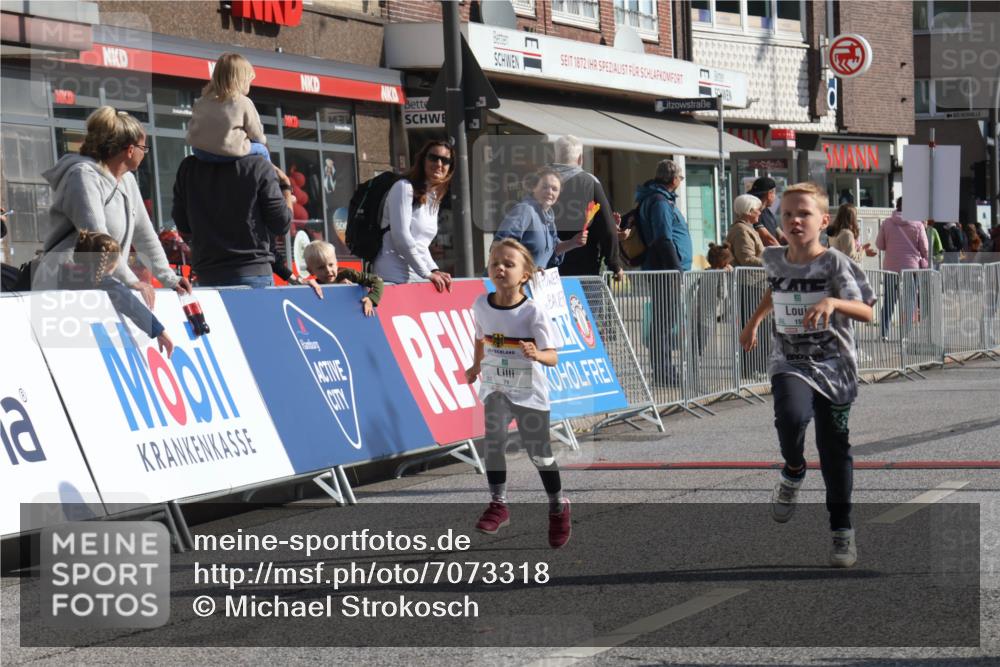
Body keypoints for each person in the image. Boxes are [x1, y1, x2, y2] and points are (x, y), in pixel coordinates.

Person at [739, 182, 875, 568]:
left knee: (834, 450)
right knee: (792, 416)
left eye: (804, 214)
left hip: (834, 366)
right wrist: (753, 323)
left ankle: (842, 531)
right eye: (787, 214)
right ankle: (794, 470)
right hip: (790, 360)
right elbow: (775, 289)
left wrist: (832, 301)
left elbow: (869, 311)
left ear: (823, 221)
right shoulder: (773, 257)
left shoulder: (836, 263)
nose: (795, 220)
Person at [464, 238, 570, 549]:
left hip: (529, 392)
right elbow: (481, 338)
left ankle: (557, 506)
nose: (500, 268)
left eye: (509, 264)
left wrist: (537, 354)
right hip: (497, 387)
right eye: (495, 262)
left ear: (524, 274)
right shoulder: (481, 304)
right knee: (493, 441)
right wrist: (475, 366)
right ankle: (499, 504)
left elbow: (553, 356)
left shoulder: (532, 312)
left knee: (540, 454)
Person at [41, 106, 191, 303]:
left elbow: (145, 236)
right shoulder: (83, 176)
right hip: (66, 287)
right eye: (143, 148)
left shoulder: (127, 180)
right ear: (130, 150)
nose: (144, 154)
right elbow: (98, 238)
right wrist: (131, 281)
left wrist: (170, 278)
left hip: (101, 284)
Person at [172, 144, 293, 288]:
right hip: (252, 270)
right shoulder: (258, 165)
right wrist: (286, 187)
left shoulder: (189, 167)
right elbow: (282, 224)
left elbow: (182, 224)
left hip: (208, 272)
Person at [634, 159, 692, 387]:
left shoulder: (660, 198)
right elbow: (662, 238)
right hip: (664, 271)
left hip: (664, 269)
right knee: (664, 324)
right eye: (680, 178)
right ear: (674, 179)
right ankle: (664, 373)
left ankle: (666, 371)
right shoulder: (659, 201)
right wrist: (676, 269)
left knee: (665, 323)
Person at [73, 230, 173, 357]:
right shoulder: (109, 286)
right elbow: (135, 308)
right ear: (113, 264)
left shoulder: (63, 279)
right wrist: (159, 331)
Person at [374, 140, 453, 292]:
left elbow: (421, 245)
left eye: (445, 160)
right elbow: (401, 236)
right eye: (433, 157)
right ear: (423, 160)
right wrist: (426, 273)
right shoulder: (404, 187)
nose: (439, 163)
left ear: (450, 168)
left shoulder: (433, 196)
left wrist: (434, 270)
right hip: (393, 274)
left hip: (416, 275)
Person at [548, 135, 624, 279]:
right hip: (582, 265)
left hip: (544, 266)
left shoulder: (538, 181)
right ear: (580, 159)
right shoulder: (589, 182)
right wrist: (614, 263)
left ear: (554, 156)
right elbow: (606, 226)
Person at [494, 168, 586, 270]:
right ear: (534, 188)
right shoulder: (525, 210)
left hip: (532, 282)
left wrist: (572, 242)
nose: (549, 192)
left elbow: (553, 249)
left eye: (554, 189)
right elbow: (500, 245)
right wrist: (527, 268)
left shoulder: (549, 217)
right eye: (545, 187)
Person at [186, 53, 269, 162]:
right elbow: (255, 134)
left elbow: (192, 125)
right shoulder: (243, 102)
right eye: (249, 81)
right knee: (262, 150)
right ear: (241, 81)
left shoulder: (201, 101)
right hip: (229, 152)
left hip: (201, 152)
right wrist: (263, 140)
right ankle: (272, 175)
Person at [875, 197, 928, 337]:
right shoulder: (918, 225)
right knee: (909, 301)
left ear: (897, 206)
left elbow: (879, 245)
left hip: (890, 267)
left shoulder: (887, 223)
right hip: (911, 268)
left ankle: (883, 333)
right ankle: (906, 334)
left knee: (889, 300)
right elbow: (925, 249)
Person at [303, 240, 384, 316]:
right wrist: (305, 284)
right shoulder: (314, 286)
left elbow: (377, 280)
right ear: (310, 271)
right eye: (321, 267)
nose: (328, 270)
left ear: (336, 263)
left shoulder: (347, 274)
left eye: (331, 265)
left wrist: (371, 299)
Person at [726, 194, 765, 268]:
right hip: (749, 278)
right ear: (749, 211)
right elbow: (747, 259)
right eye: (758, 210)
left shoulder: (745, 228)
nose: (760, 213)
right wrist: (772, 264)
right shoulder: (742, 231)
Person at [748, 177, 783, 246]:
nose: (775, 197)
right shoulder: (754, 214)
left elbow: (781, 235)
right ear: (769, 194)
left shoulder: (767, 211)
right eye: (774, 193)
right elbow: (769, 240)